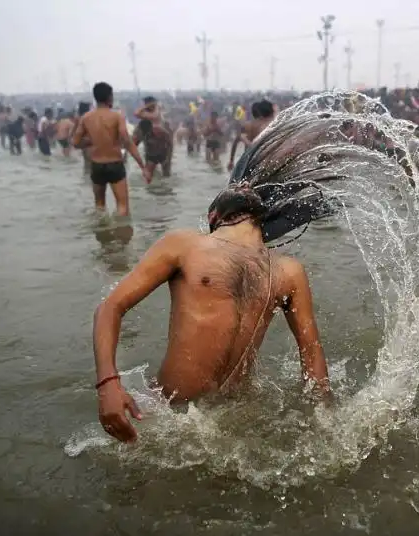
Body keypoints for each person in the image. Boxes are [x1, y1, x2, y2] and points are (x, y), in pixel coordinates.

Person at [93, 186, 332, 443]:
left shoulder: (289, 271)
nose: (243, 186)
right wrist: (108, 384)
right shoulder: (186, 245)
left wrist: (325, 423)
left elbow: (312, 354)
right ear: (213, 216)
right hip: (168, 415)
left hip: (235, 419)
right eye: (235, 187)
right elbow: (110, 308)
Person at [72, 82, 151, 216]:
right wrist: (143, 167)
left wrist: (92, 141)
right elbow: (127, 141)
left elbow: (75, 142)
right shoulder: (116, 116)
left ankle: (103, 234)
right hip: (114, 164)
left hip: (96, 165)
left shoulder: (86, 118)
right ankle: (121, 234)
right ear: (110, 97)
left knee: (99, 207)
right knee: (122, 206)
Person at [228, 100, 276, 171]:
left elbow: (235, 142)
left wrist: (231, 161)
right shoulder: (270, 125)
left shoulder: (246, 126)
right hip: (265, 161)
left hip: (248, 161)